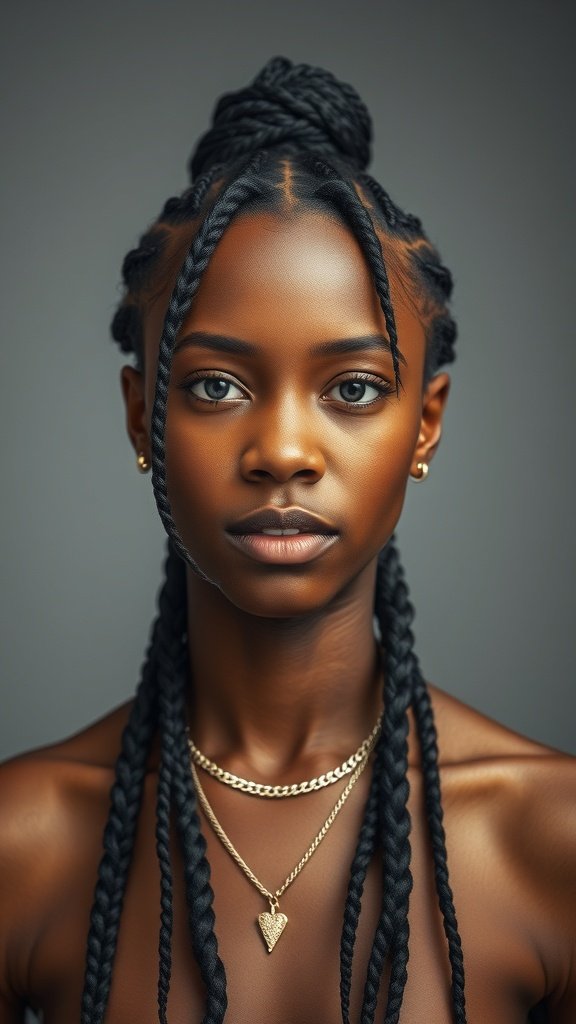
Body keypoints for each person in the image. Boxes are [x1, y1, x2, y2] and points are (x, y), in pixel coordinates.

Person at [0, 55, 574, 1024]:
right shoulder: (28, 839)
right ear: (141, 415)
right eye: (217, 385)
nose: (282, 452)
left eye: (353, 388)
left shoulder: (550, 837)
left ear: (426, 423)